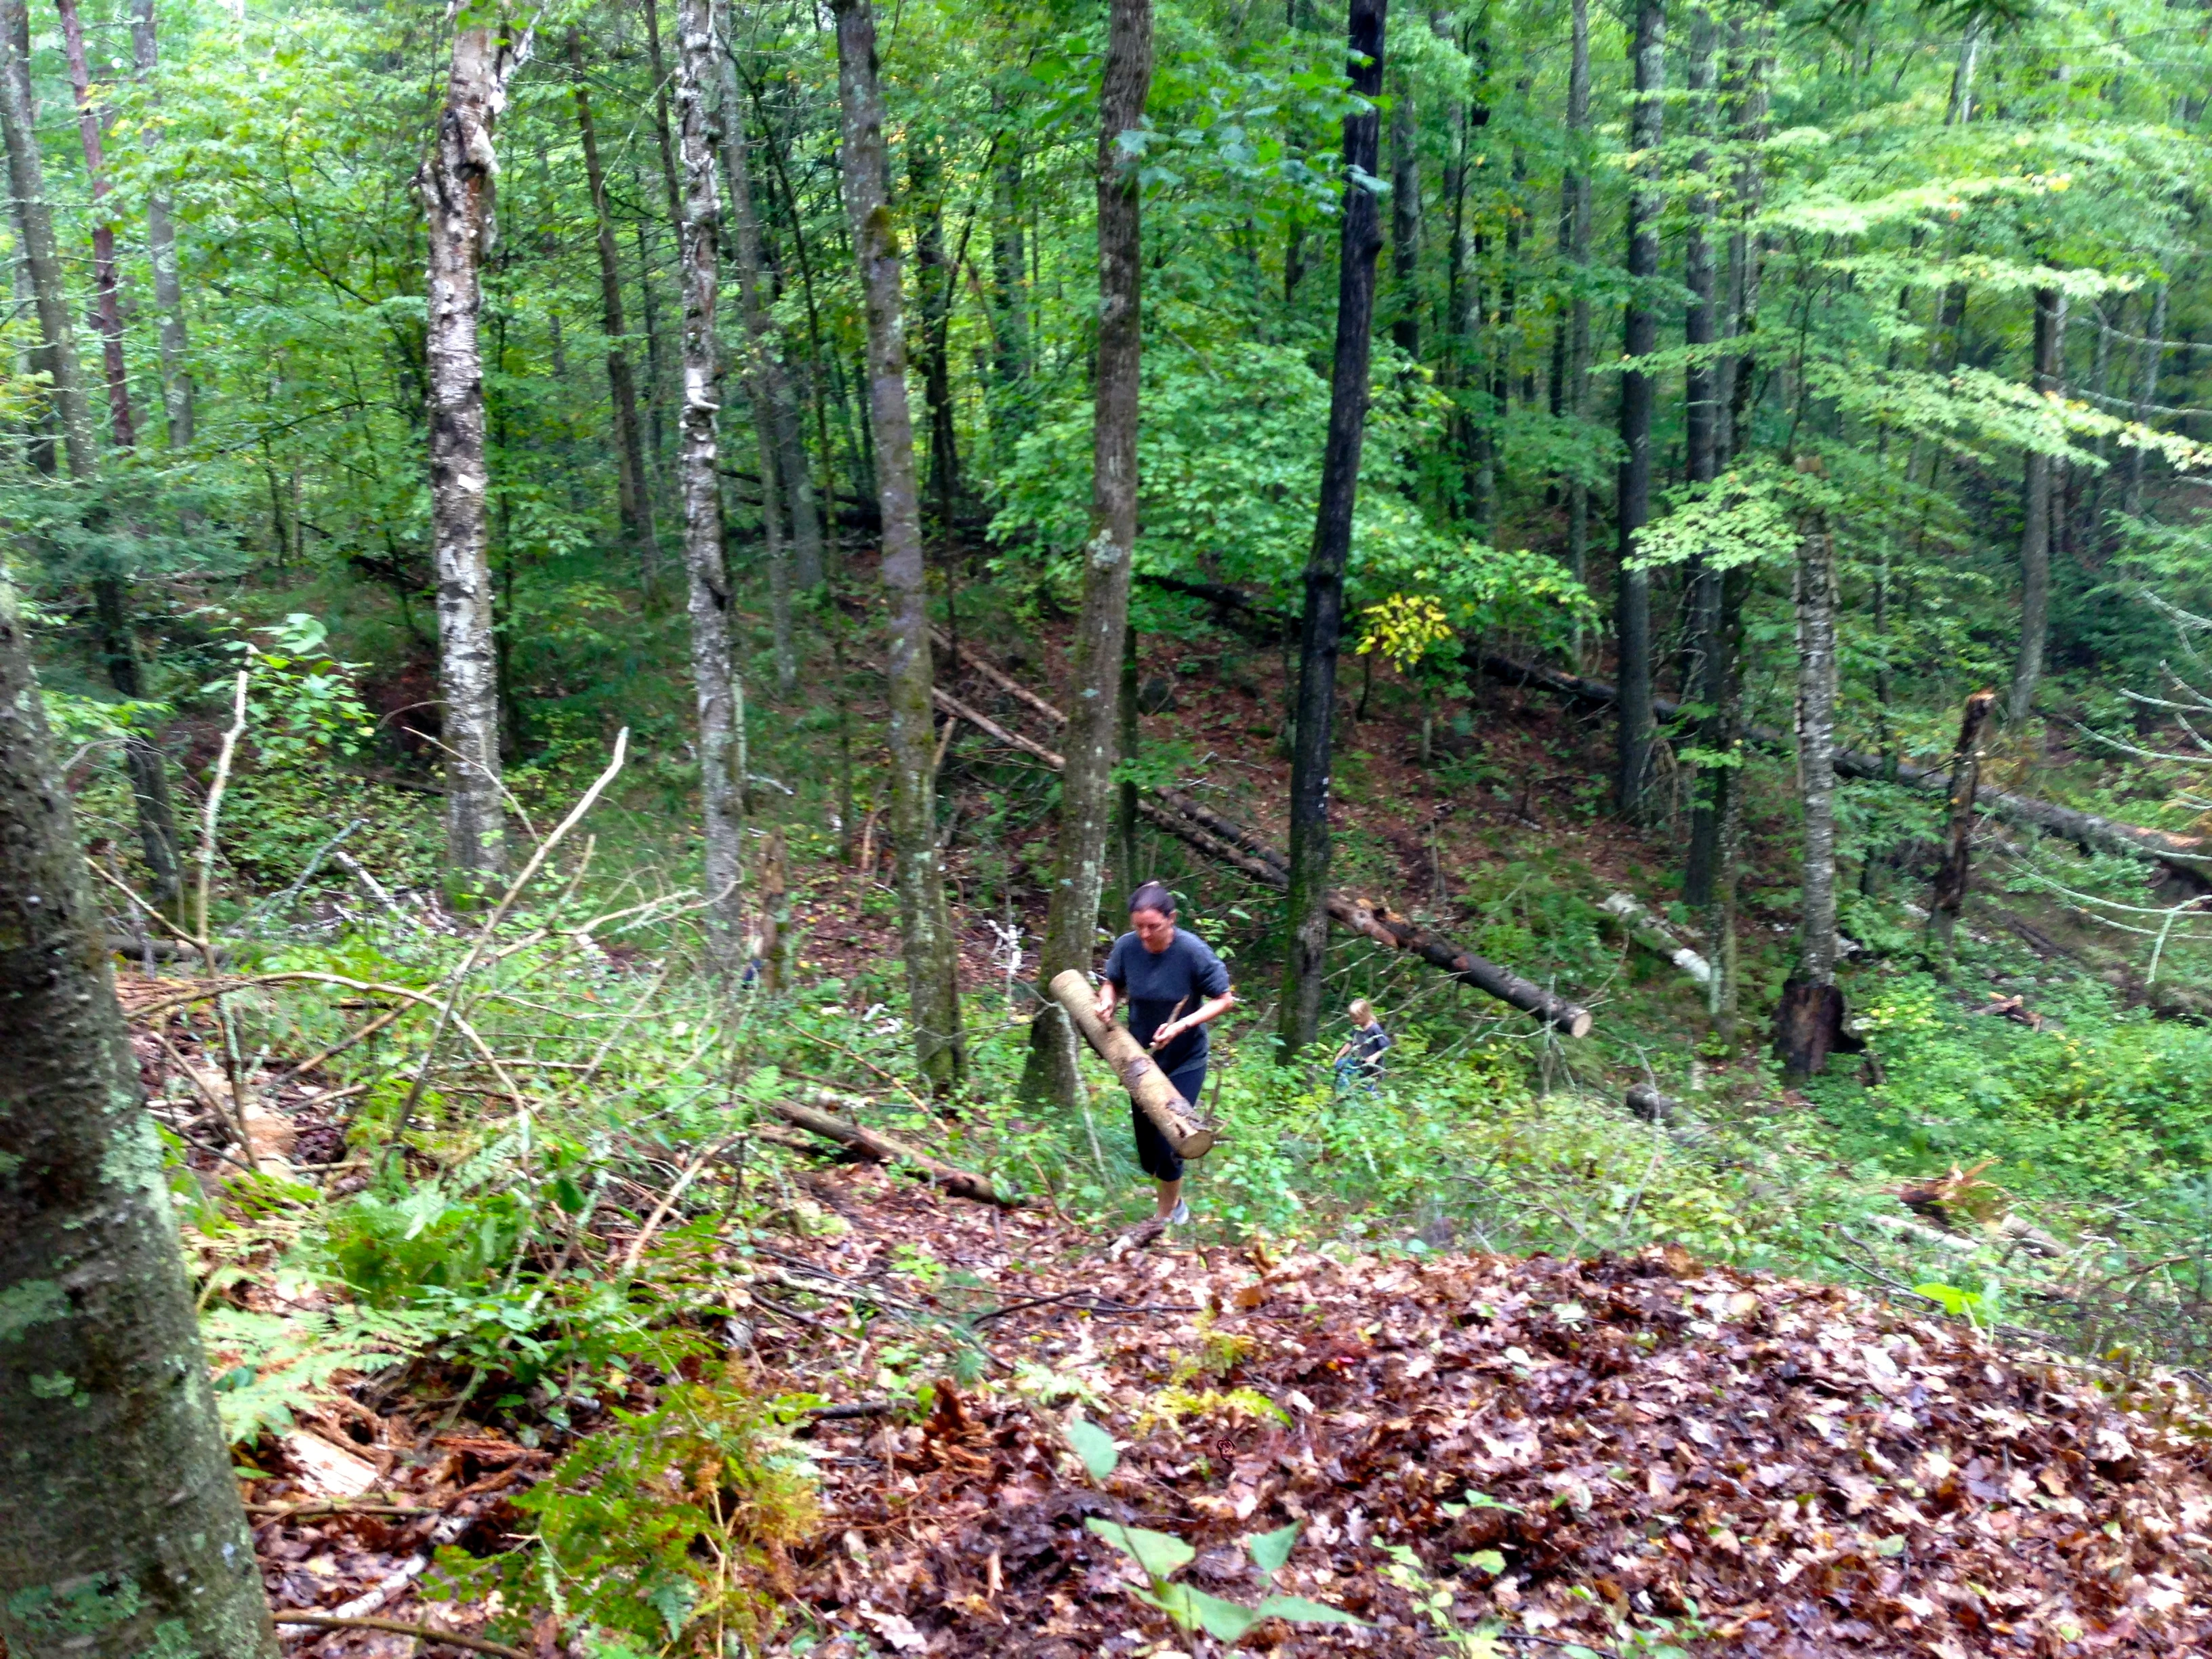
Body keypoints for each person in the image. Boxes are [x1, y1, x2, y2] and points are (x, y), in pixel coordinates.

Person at [1094, 881, 1235, 1225]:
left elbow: (1224, 999)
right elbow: (1112, 980)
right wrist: (1107, 998)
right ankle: (1172, 1194)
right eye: (1138, 926)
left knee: (1170, 1140)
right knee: (1147, 1154)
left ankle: (1164, 1217)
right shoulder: (1128, 947)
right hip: (1142, 1060)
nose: (1145, 934)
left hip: (1185, 1059)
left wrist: (1181, 1025)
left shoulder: (1192, 951)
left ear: (1172, 919)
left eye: (1153, 926)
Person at [1332, 998, 1392, 1096]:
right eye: (1352, 1018)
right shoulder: (1357, 1028)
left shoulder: (1374, 1029)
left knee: (1368, 1089)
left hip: (1370, 1067)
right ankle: (1345, 1094)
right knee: (1340, 1066)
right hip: (1357, 1060)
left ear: (1366, 1015)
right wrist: (1339, 1055)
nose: (1354, 1021)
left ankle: (1378, 1104)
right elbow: (1350, 1042)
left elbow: (1386, 1045)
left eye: (1356, 1018)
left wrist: (1374, 1057)